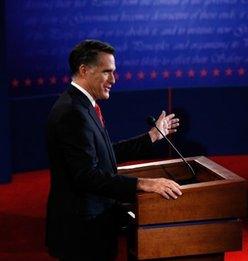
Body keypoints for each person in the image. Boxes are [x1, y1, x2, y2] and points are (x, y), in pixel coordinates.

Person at [45, 39, 183, 261]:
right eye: (107, 72)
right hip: (82, 233)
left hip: (91, 225)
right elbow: (85, 176)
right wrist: (142, 183)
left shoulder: (81, 105)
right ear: (84, 70)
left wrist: (152, 137)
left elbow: (105, 153)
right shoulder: (72, 112)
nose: (113, 79)